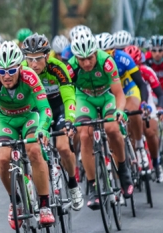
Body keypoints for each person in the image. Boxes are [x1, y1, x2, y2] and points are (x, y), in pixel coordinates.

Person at [0, 40, 55, 229]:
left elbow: (45, 109)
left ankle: (44, 204)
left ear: (20, 67)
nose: (6, 76)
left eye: (11, 70)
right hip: (5, 121)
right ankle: (15, 201)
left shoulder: (30, 77)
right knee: (3, 158)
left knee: (34, 150)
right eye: (1, 71)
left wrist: (43, 128)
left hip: (29, 117)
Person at [68, 30, 133, 209]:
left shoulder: (106, 62)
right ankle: (93, 186)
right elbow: (67, 95)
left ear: (96, 53)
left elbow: (119, 94)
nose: (87, 63)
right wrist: (69, 118)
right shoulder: (71, 67)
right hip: (84, 98)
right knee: (84, 135)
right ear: (76, 58)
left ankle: (123, 170)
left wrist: (119, 111)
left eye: (90, 57)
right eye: (82, 59)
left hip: (106, 96)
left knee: (112, 128)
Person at [21, 33, 84, 210]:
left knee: (63, 147)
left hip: (58, 108)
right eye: (29, 59)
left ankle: (72, 184)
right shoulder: (22, 70)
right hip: (37, 110)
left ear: (47, 56)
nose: (33, 64)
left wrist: (70, 120)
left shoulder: (58, 68)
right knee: (34, 149)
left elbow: (69, 97)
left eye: (38, 59)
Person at [95, 32, 149, 168]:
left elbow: (141, 83)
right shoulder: (94, 63)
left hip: (128, 90)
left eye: (108, 52)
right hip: (110, 95)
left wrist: (144, 102)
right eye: (101, 53)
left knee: (133, 111)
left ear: (114, 51)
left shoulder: (124, 58)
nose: (104, 56)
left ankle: (139, 145)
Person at [124, 45, 163, 182]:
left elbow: (159, 93)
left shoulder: (146, 71)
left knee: (151, 131)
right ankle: (134, 164)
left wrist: (159, 107)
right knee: (130, 133)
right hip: (129, 102)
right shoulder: (122, 72)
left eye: (137, 64)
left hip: (147, 102)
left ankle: (156, 164)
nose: (135, 68)